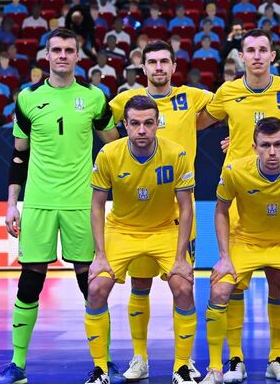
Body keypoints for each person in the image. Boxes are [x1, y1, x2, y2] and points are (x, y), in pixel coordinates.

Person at [0, 28, 118, 384]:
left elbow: (114, 145)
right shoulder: (28, 98)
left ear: (78, 56)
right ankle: (17, 365)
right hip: (39, 203)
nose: (62, 55)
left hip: (81, 203)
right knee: (30, 282)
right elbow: (19, 155)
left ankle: (104, 364)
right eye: (57, 50)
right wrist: (12, 204)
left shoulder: (94, 97)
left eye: (69, 50)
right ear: (46, 56)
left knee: (90, 285)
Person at [198, 30, 280, 383]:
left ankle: (276, 358)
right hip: (239, 194)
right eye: (251, 50)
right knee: (232, 282)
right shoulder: (228, 91)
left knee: (278, 278)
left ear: (273, 55)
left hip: (278, 191)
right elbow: (197, 121)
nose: (258, 56)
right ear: (242, 56)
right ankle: (235, 359)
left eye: (263, 50)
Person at [107, 40, 214, 381]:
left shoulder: (193, 97)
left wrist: (238, 141)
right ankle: (139, 358)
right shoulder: (126, 101)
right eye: (152, 62)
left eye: (164, 61)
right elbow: (101, 123)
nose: (158, 67)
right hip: (139, 213)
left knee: (183, 285)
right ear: (143, 67)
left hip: (180, 211)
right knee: (140, 284)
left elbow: (230, 109)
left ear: (174, 66)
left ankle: (185, 362)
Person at [203, 117, 280, 384]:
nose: (272, 152)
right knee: (221, 289)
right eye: (265, 145)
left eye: (278, 145)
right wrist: (224, 257)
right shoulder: (235, 170)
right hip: (246, 240)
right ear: (254, 147)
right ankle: (222, 364)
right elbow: (221, 211)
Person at [84, 95, 196, 384]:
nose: (142, 130)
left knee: (183, 287)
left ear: (157, 123)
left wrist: (181, 258)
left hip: (164, 229)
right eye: (135, 123)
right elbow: (97, 205)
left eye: (148, 123)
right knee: (96, 288)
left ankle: (182, 367)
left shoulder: (176, 154)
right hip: (122, 230)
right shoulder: (109, 154)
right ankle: (100, 369)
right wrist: (100, 255)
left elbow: (186, 208)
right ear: (125, 124)